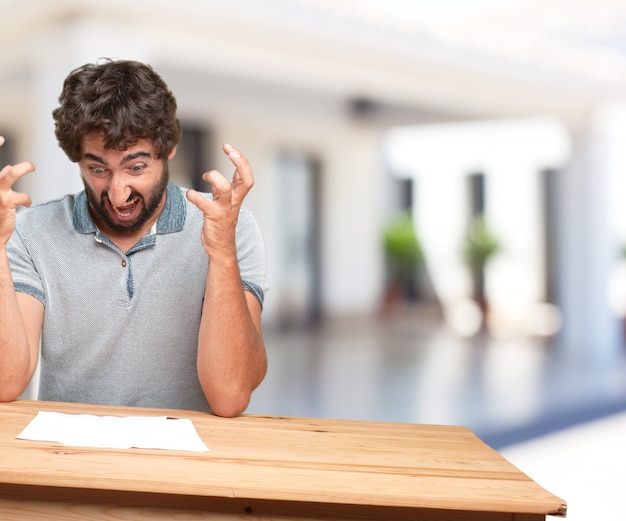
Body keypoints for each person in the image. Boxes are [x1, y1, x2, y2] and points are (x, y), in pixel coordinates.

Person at [0, 59, 268, 417]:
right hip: (68, 460)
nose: (118, 192)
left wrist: (221, 253)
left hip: (188, 463)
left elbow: (231, 396)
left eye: (136, 167)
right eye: (98, 169)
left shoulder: (232, 229)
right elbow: (6, 382)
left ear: (168, 149)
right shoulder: (30, 231)